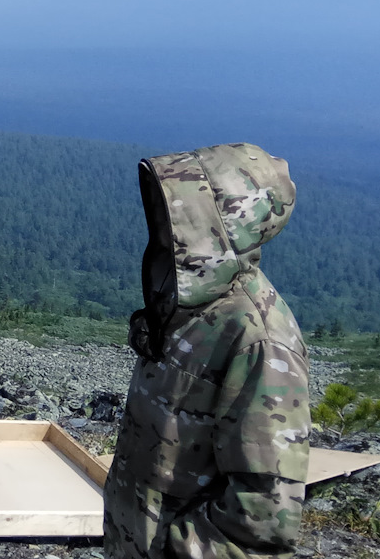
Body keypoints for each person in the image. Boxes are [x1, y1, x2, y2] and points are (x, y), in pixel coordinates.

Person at [103, 142, 312, 559]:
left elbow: (265, 517)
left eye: (185, 211)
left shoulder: (258, 340)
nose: (168, 221)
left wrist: (176, 550)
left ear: (227, 223)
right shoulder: (191, 306)